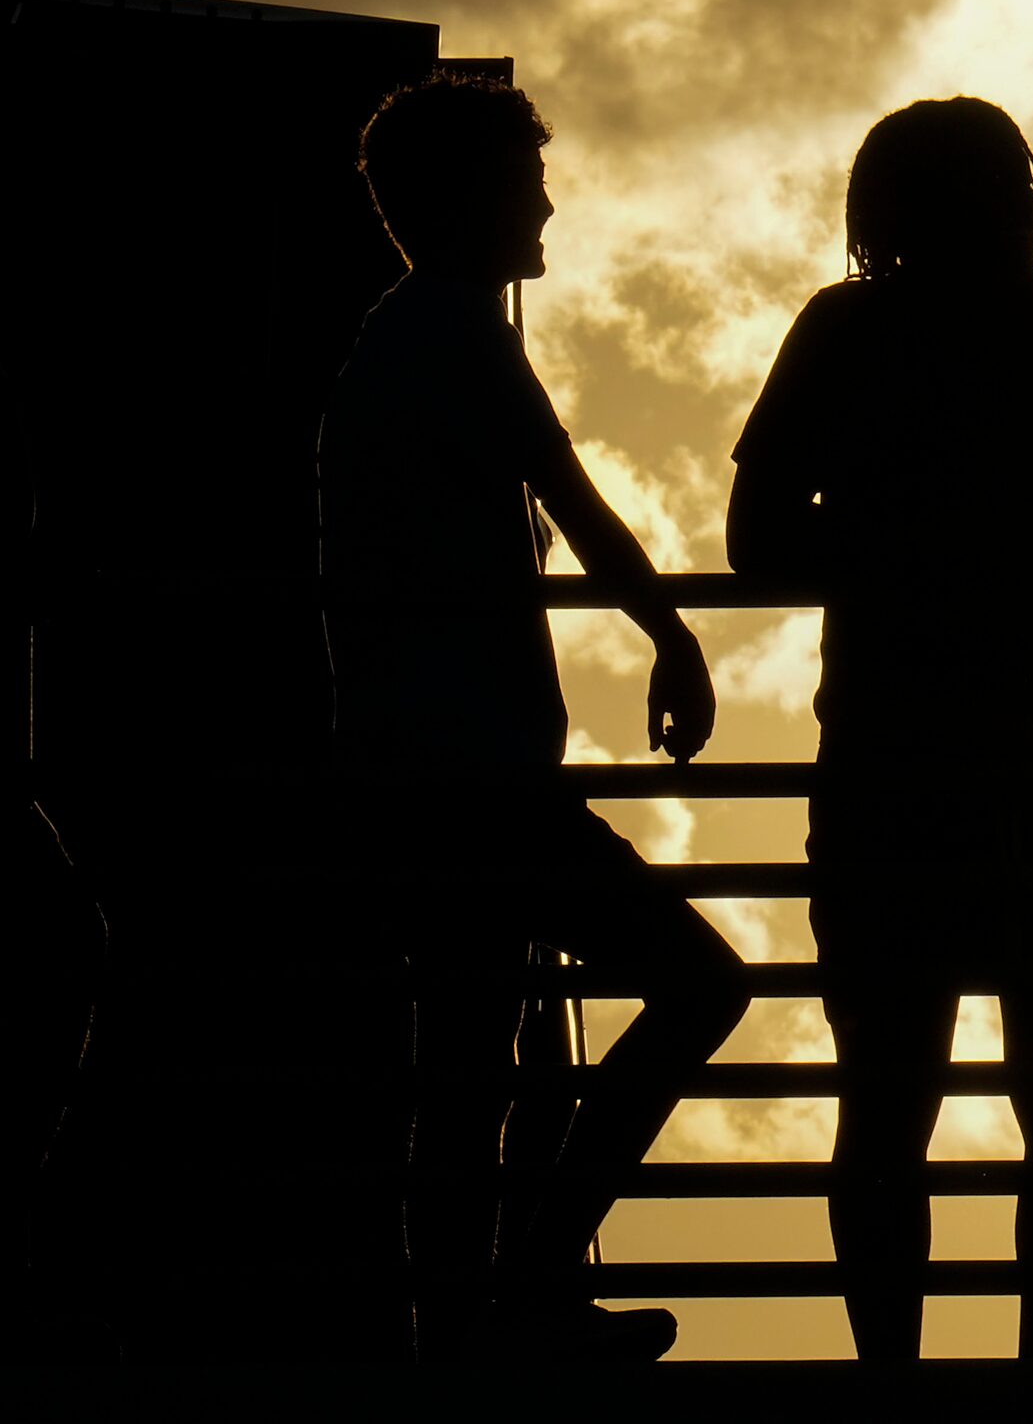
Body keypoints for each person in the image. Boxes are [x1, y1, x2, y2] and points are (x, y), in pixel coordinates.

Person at [727, 97, 1033, 1361]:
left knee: (885, 1108)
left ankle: (893, 1381)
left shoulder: (845, 334)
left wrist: (903, 550)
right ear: (1011, 199)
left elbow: (757, 539)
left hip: (892, 782)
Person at [320, 73, 750, 1362]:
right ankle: (523, 1287)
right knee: (692, 984)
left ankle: (480, 1314)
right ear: (476, 199)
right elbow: (568, 494)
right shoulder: (452, 333)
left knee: (473, 1059)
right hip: (475, 781)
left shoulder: (395, 346)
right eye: (528, 180)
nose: (550, 201)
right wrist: (671, 637)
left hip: (429, 772)